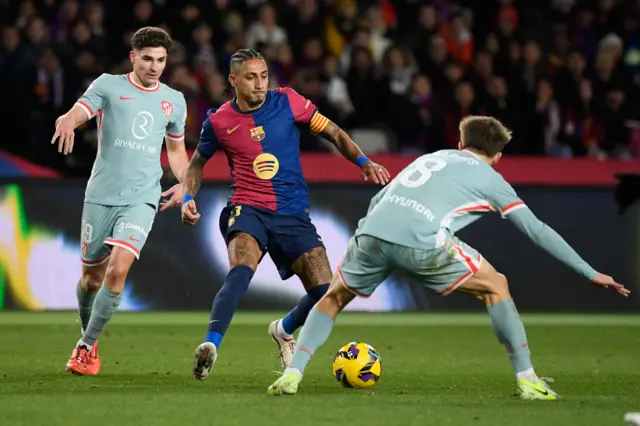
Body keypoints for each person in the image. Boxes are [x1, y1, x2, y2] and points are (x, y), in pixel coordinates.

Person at [267, 115, 630, 399]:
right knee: (496, 286)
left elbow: (379, 200)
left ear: (460, 143)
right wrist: (588, 271)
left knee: (332, 298)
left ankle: (293, 373)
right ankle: (528, 380)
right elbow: (536, 230)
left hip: (373, 230)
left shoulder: (433, 156)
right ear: (497, 157)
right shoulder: (491, 179)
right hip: (422, 240)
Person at [181, 48, 391, 380]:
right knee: (240, 271)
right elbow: (196, 164)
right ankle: (211, 345)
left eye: (263, 76)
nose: (259, 84)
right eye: (250, 78)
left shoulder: (290, 101)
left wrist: (364, 162)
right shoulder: (219, 121)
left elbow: (334, 132)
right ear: (233, 80)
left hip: (293, 213)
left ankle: (284, 329)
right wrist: (187, 197)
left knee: (326, 291)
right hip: (247, 206)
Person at [51, 27, 189, 375]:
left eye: (160, 60)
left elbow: (175, 150)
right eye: (147, 59)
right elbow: (79, 110)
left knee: (118, 270)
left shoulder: (174, 100)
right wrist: (68, 120)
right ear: (133, 57)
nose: (154, 66)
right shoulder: (108, 86)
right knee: (91, 280)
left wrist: (188, 184)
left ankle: (83, 348)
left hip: (142, 198)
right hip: (101, 196)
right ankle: (91, 338)